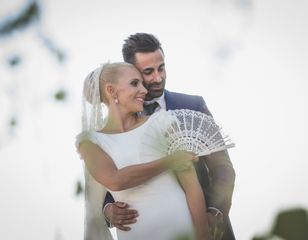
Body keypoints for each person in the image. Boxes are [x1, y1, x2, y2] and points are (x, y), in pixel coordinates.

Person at [103, 33, 236, 239]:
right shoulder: (115, 127)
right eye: (148, 72)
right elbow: (103, 181)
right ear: (132, 72)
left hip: (208, 229)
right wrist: (108, 210)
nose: (158, 78)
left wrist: (215, 212)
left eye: (161, 68)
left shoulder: (193, 106)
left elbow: (222, 167)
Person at [76, 62, 210, 240]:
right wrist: (169, 161)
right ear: (111, 90)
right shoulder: (91, 142)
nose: (144, 90)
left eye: (142, 83)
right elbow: (115, 180)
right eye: (134, 83)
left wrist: (204, 236)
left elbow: (192, 187)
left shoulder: (162, 122)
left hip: (183, 229)